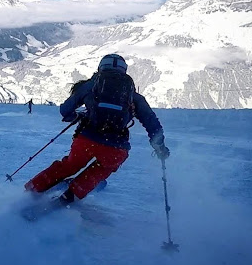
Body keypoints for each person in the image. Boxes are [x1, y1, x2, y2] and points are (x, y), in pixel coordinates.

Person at [24, 54, 170, 204]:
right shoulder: (133, 95)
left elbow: (65, 110)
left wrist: (75, 115)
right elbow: (152, 124)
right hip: (116, 147)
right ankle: (71, 195)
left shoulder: (90, 86)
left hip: (87, 140)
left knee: (69, 166)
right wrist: (160, 148)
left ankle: (31, 189)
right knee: (101, 170)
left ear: (100, 68)